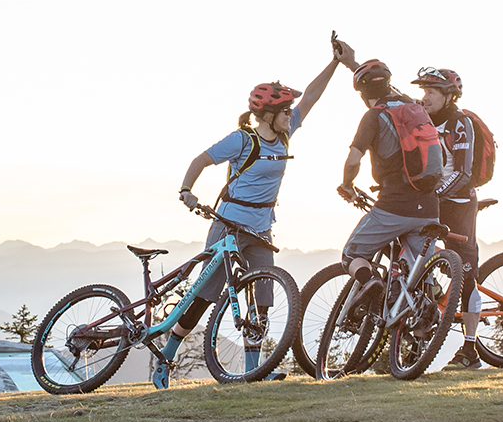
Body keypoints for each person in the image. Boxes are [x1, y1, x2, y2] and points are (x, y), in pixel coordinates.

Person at [159, 44, 347, 387]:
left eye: (290, 111)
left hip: (261, 229)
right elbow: (201, 160)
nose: (291, 114)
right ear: (268, 115)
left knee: (261, 301)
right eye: (285, 110)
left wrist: (334, 62)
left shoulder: (285, 134)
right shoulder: (242, 140)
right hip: (228, 226)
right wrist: (187, 191)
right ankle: (166, 358)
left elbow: (313, 98)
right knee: (205, 297)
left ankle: (251, 371)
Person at [334, 52, 443, 304]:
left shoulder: (373, 116)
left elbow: (353, 160)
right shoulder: (415, 109)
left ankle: (370, 281)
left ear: (363, 94)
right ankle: (423, 324)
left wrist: (347, 185)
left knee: (352, 255)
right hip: (429, 207)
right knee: (419, 277)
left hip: (394, 205)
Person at [413, 66, 485, 369]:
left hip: (458, 204)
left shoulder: (460, 123)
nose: (424, 97)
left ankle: (470, 351)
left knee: (466, 275)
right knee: (412, 259)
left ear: (448, 96)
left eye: (431, 92)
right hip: (431, 200)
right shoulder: (421, 117)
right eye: (423, 91)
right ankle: (423, 321)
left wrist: (437, 194)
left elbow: (465, 172)